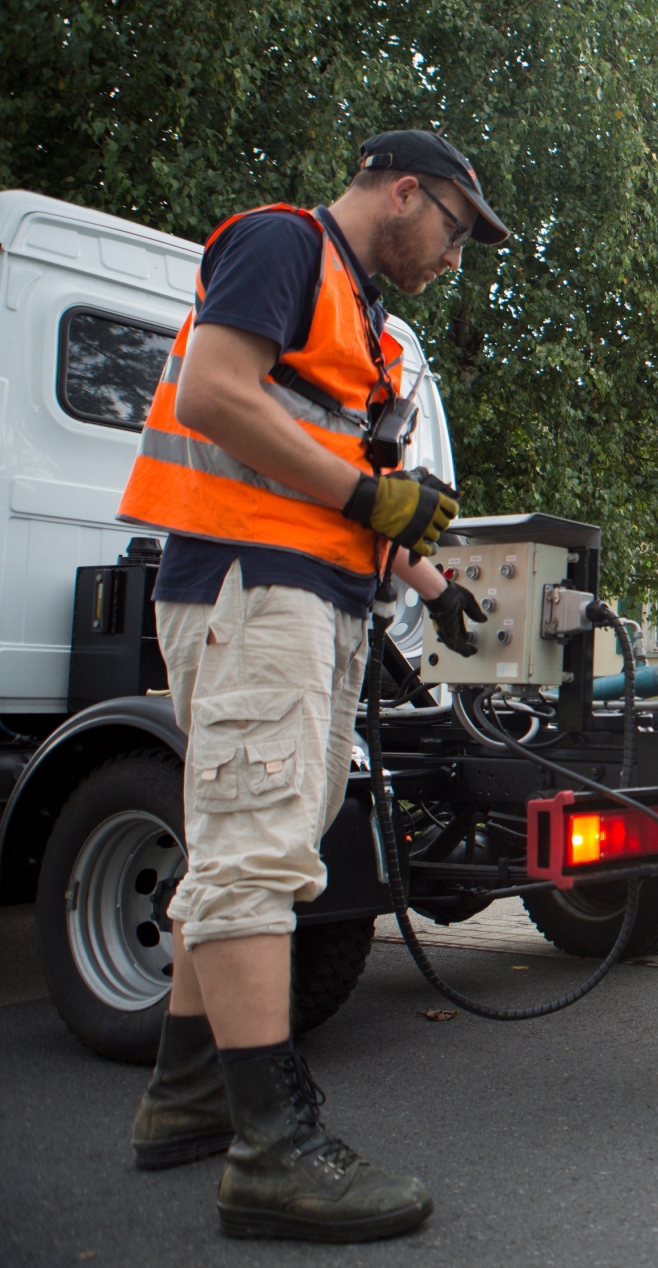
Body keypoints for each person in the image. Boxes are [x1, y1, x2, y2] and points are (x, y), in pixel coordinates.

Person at [116, 130, 502, 1242]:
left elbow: (344, 489)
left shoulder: (369, 332)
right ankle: (273, 1149)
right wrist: (370, 500)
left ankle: (184, 1096)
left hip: (309, 599)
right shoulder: (283, 246)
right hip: (249, 586)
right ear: (404, 191)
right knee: (253, 850)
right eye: (455, 231)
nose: (454, 256)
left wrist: (430, 582)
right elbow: (217, 397)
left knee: (250, 844)